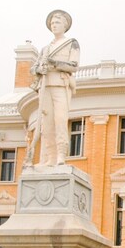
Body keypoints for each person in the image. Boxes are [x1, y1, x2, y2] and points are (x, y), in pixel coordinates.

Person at [31, 10, 80, 166]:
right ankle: (50, 157)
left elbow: (74, 66)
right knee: (47, 123)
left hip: (61, 84)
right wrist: (39, 69)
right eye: (52, 23)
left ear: (65, 25)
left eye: (57, 22)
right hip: (45, 86)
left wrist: (54, 64)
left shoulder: (71, 43)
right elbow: (33, 69)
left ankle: (61, 155)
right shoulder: (45, 48)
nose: (54, 25)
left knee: (60, 120)